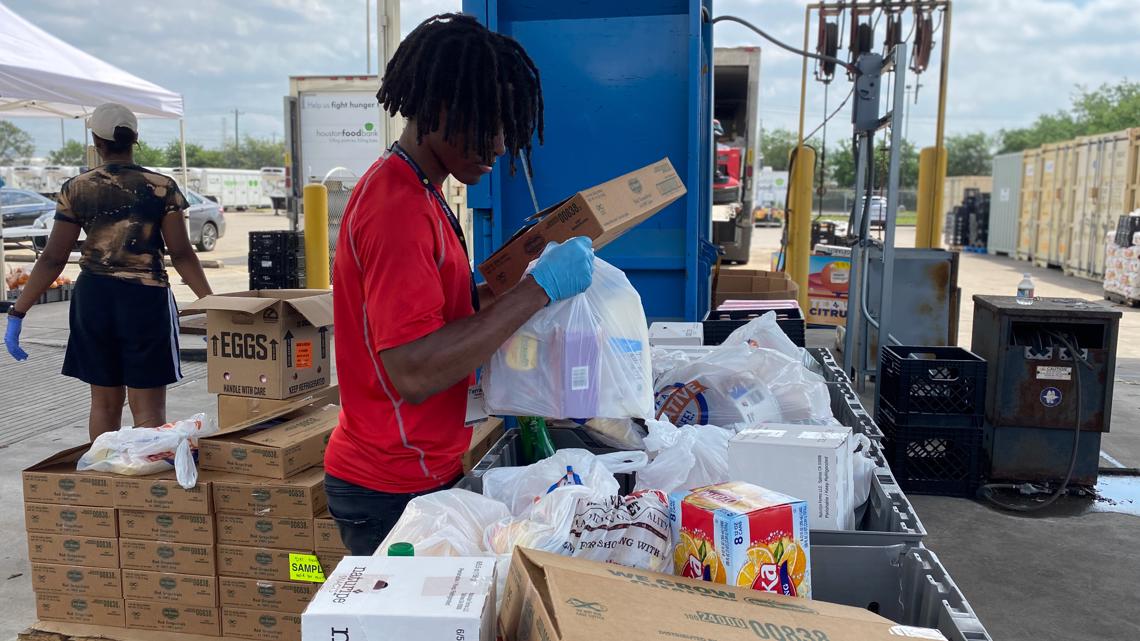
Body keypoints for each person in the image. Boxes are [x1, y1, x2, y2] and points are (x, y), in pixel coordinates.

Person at [323, 13, 596, 555]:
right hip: (389, 486)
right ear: (442, 106)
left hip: (421, 468)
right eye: (491, 125)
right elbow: (414, 371)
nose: (500, 146)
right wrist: (537, 290)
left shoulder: (423, 191)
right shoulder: (396, 207)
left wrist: (508, 279)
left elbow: (438, 314)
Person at [3, 103, 213, 438]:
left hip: (95, 301)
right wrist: (213, 306)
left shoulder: (76, 188)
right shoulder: (161, 187)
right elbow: (183, 254)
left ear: (96, 142)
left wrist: (18, 311)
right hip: (146, 301)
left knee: (103, 404)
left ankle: (104, 482)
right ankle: (144, 483)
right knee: (149, 409)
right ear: (135, 140)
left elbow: (52, 258)